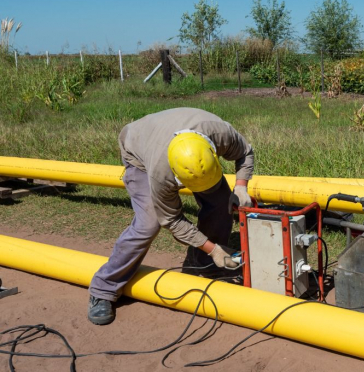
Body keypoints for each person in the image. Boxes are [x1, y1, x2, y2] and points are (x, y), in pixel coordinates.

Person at [87, 107, 254, 326]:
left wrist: (240, 187)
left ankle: (206, 266)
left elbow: (245, 153)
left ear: (213, 152)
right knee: (148, 224)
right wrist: (213, 248)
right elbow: (172, 220)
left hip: (175, 137)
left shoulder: (221, 135)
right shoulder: (160, 171)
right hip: (138, 149)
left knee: (221, 202)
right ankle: (103, 288)